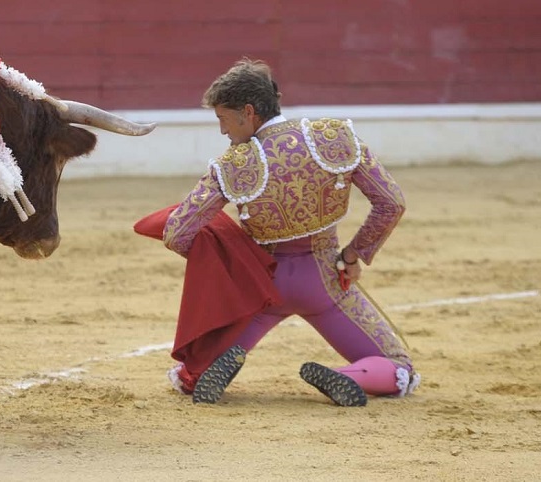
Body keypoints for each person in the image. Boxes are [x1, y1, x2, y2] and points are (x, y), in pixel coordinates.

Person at [160, 59, 419, 407]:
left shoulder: (234, 164)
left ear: (247, 112)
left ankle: (208, 371)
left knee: (192, 376)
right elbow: (391, 203)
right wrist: (354, 255)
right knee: (398, 368)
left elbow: (178, 232)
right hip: (326, 282)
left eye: (223, 119)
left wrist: (233, 264)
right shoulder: (332, 137)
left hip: (263, 288)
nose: (223, 131)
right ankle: (345, 376)